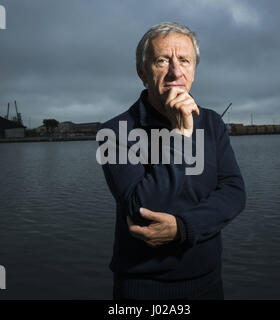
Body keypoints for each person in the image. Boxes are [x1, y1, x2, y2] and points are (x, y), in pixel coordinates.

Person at [98, 22, 246, 300]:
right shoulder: (113, 132)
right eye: (162, 61)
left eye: (185, 61)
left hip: (209, 280)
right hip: (143, 287)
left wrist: (183, 229)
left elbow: (234, 193)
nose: (175, 72)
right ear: (142, 72)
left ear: (194, 71)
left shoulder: (212, 122)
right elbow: (142, 208)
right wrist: (181, 134)